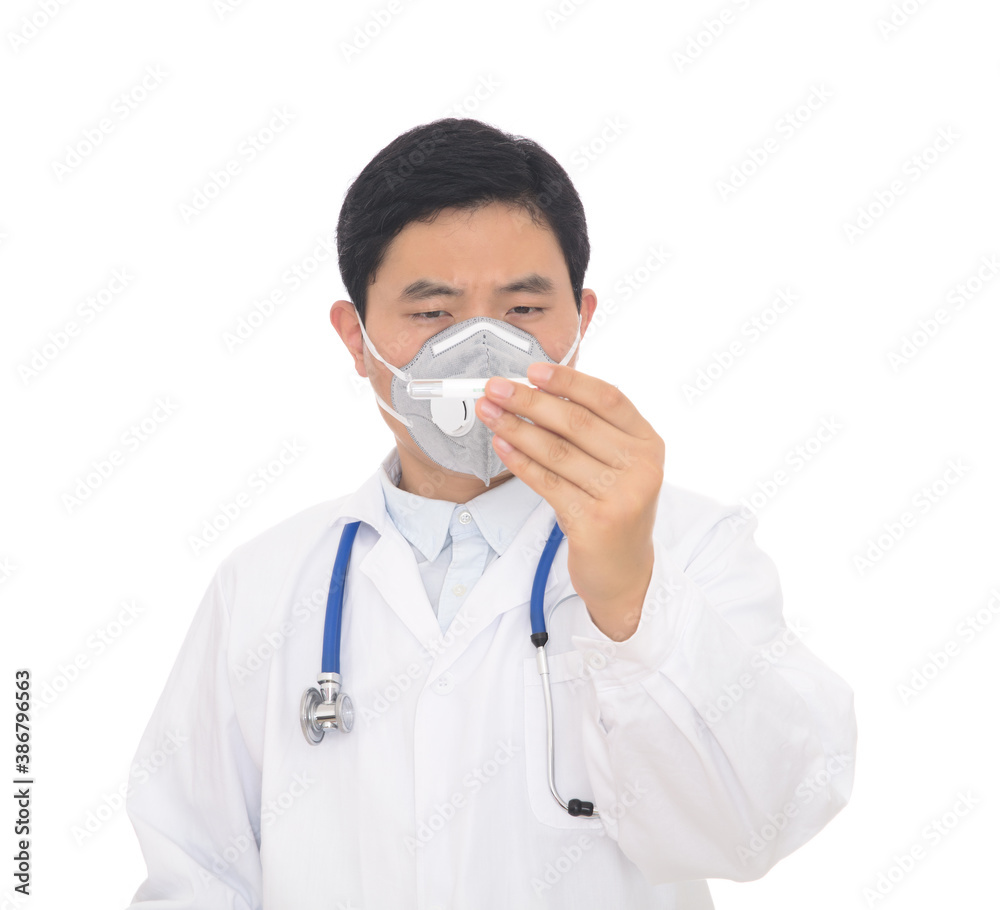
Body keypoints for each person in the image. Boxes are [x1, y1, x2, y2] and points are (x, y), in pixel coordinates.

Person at [123, 118, 857, 909]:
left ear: (580, 320)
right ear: (356, 338)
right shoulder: (262, 586)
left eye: (523, 310)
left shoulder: (694, 546)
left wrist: (630, 597)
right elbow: (196, 874)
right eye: (433, 313)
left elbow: (760, 827)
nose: (480, 352)